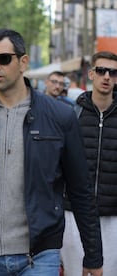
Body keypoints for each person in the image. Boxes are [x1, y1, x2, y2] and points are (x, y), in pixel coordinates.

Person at [0, 28, 103, 276]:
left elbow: (81, 190)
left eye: (3, 59)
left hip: (40, 254)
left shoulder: (60, 116)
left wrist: (93, 255)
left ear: (23, 62)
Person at [61, 51, 117, 275]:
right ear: (91, 74)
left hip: (112, 216)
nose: (106, 76)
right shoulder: (71, 114)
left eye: (113, 72)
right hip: (74, 214)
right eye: (101, 70)